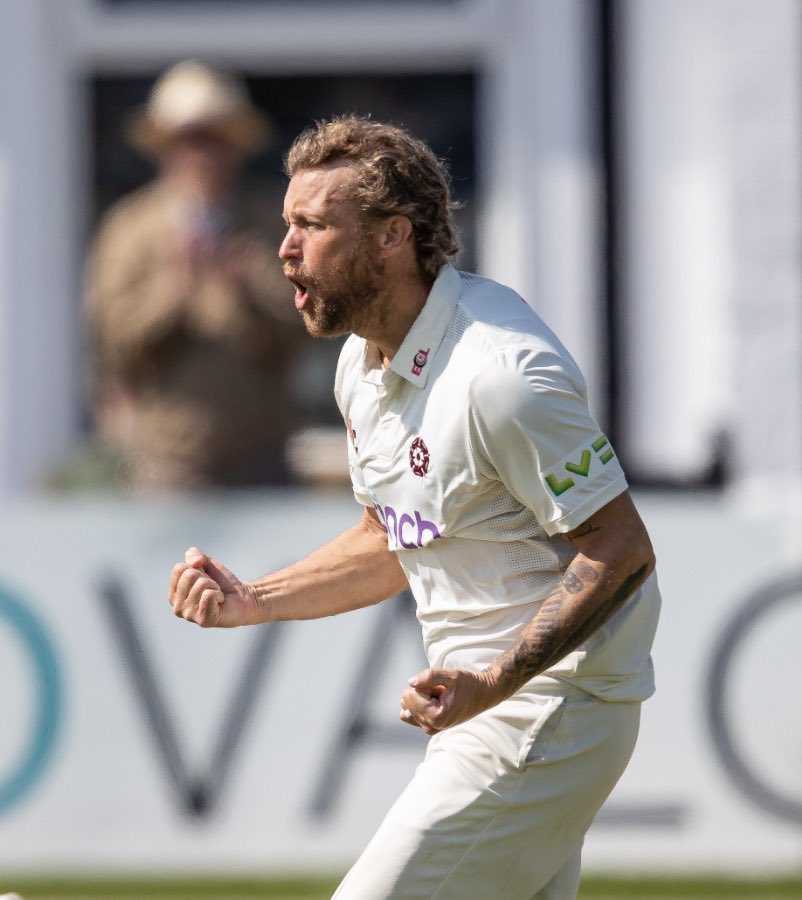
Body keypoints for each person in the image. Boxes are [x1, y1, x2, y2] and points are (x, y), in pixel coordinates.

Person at [166, 115, 661, 899]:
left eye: (312, 226)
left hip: (550, 710)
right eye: (286, 225)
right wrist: (254, 599)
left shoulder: (501, 376)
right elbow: (390, 536)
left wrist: (493, 682)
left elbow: (621, 547)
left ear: (393, 236)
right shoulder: (360, 367)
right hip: (488, 712)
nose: (285, 249)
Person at [86, 61, 303, 490]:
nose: (202, 155)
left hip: (263, 457)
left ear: (236, 145)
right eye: (188, 140)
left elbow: (308, 330)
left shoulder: (271, 222)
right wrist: (175, 291)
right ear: (164, 147)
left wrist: (252, 286)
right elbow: (110, 342)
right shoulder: (130, 228)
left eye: (215, 140)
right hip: (168, 466)